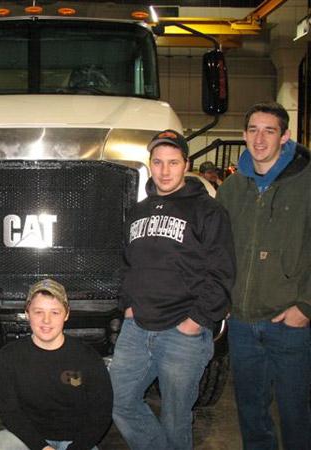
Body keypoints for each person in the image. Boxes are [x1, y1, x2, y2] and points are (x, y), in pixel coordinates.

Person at [109, 129, 235, 450]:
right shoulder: (138, 211)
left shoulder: (208, 211)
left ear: (186, 165)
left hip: (183, 333)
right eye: (158, 162)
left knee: (175, 419)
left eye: (173, 162)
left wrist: (196, 321)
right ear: (150, 164)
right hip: (137, 328)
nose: (164, 171)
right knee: (119, 401)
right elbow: (126, 263)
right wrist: (128, 306)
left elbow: (222, 273)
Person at [216, 101, 311, 450]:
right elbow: (216, 251)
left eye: (269, 131)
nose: (260, 139)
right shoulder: (231, 189)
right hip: (242, 323)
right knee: (251, 414)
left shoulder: (306, 184)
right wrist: (222, 299)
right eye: (253, 130)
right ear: (243, 135)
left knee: (295, 414)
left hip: (290, 322)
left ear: (285, 137)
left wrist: (306, 305)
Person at [0, 279, 113, 450]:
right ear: (27, 313)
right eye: (38, 312)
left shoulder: (87, 357)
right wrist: (41, 447)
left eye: (55, 312)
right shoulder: (8, 357)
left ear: (66, 314)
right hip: (26, 437)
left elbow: (101, 413)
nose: (46, 320)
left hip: (76, 441)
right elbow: (9, 412)